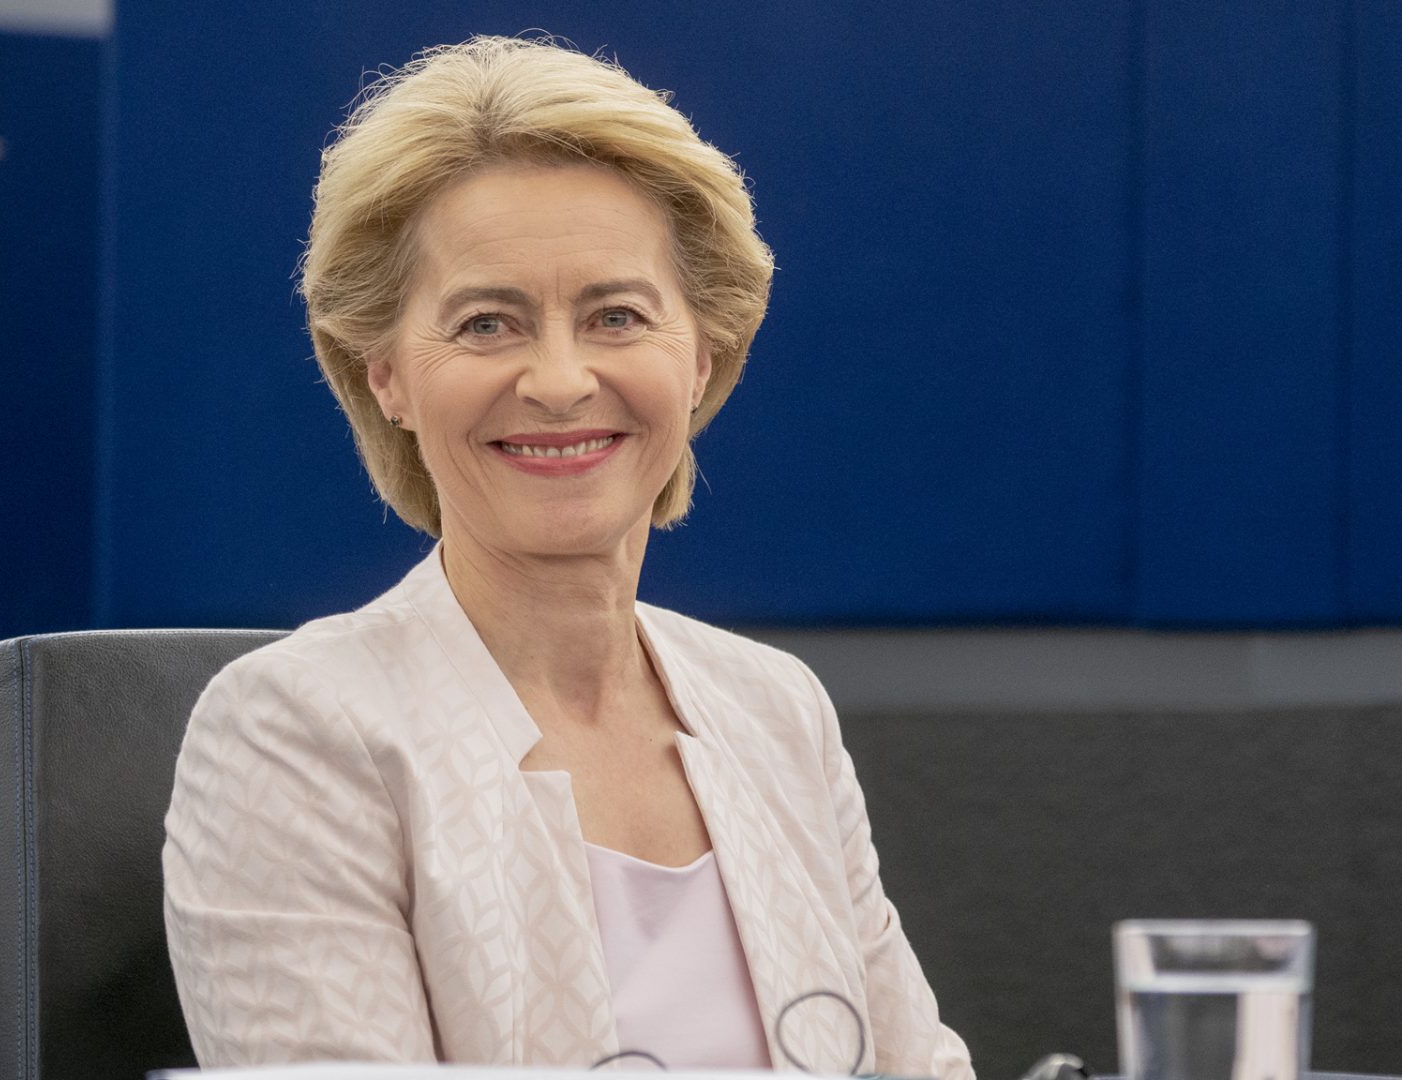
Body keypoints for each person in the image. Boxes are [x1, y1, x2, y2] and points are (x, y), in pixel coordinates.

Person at [161, 34, 974, 1077]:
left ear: (702, 357)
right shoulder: (297, 731)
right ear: (386, 377)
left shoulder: (776, 711)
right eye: (486, 323)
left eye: (616, 316)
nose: (558, 380)